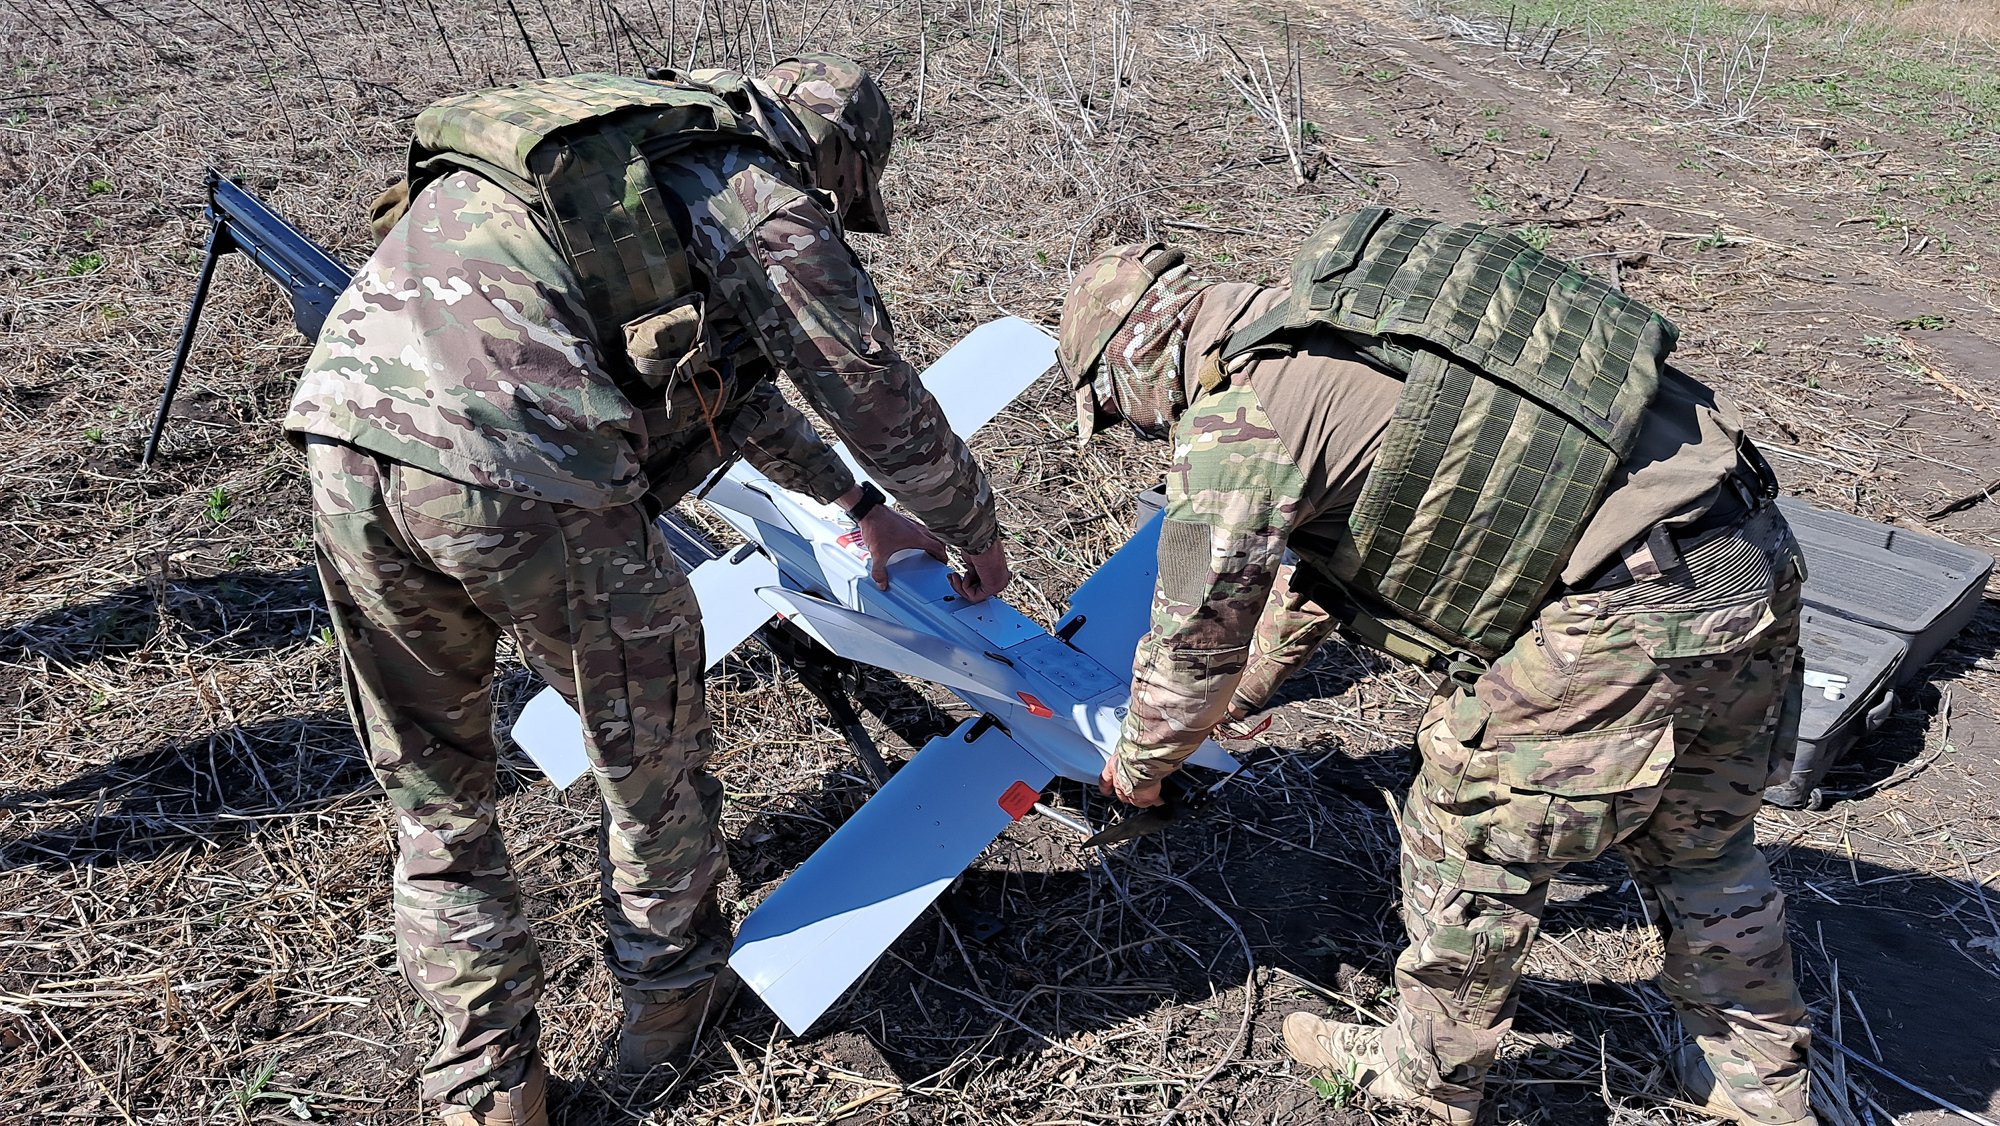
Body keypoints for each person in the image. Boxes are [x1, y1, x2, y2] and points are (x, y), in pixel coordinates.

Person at [286, 56, 1011, 1126]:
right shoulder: (756, 191)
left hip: (343, 440)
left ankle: (489, 1093)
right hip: (526, 468)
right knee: (649, 758)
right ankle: (671, 1014)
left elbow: (726, 394)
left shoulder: (608, 157)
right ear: (838, 160)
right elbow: (868, 387)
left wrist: (855, 508)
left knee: (435, 802)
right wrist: (970, 528)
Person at [1057, 209, 1813, 1126]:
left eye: (1122, 415)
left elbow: (1192, 638)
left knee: (1468, 823)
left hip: (1629, 610)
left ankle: (1427, 1076)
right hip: (1746, 554)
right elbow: (1326, 567)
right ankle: (1760, 1088)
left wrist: (1141, 766)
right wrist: (1251, 693)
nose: (1142, 433)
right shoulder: (1336, 330)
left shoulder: (1236, 423)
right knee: (1703, 844)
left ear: (1133, 359)